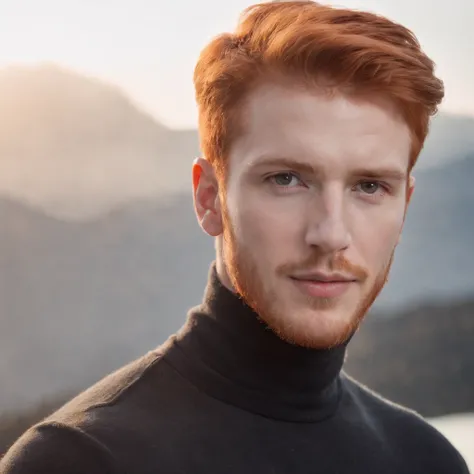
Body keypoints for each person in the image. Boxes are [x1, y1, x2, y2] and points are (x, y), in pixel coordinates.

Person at [1, 1, 470, 473]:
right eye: (287, 179)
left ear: (404, 205)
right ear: (209, 197)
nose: (331, 234)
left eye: (369, 186)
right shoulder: (77, 461)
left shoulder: (428, 461)